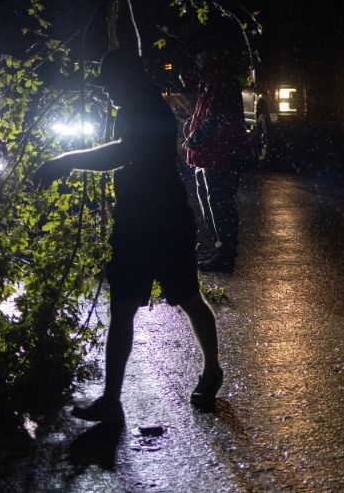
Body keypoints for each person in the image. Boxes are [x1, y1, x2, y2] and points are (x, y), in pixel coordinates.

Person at [35, 46, 224, 423]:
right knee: (122, 307)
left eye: (109, 81)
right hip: (136, 223)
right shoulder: (133, 106)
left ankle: (211, 370)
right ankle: (112, 400)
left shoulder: (151, 109)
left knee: (188, 298)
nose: (105, 89)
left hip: (165, 222)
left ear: (127, 77)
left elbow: (122, 153)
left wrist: (67, 160)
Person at [182, 48, 249, 273]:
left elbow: (216, 118)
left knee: (219, 204)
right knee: (212, 203)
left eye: (201, 56)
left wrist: (195, 137)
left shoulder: (221, 84)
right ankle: (220, 250)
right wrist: (190, 125)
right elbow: (204, 114)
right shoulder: (210, 82)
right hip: (208, 155)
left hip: (219, 155)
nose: (198, 60)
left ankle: (225, 253)